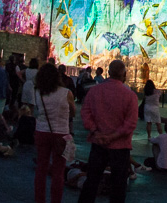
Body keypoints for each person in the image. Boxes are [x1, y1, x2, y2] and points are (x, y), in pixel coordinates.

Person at [78, 58, 138, 203]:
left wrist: (95, 131)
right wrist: (113, 136)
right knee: (118, 185)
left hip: (98, 142)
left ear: (109, 72)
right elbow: (130, 123)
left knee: (92, 181)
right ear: (124, 74)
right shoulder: (130, 96)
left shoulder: (94, 91)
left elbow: (85, 113)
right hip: (120, 146)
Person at [34, 61, 76, 203]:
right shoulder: (66, 93)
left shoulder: (38, 92)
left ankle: (39, 199)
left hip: (41, 131)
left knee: (41, 169)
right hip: (61, 134)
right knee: (58, 172)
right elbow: (73, 112)